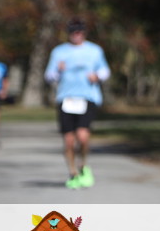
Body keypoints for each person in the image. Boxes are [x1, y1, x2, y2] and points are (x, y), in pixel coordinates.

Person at [44, 18, 111, 189]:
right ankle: (72, 173)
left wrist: (97, 76)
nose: (76, 34)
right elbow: (49, 76)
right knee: (68, 140)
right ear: (69, 33)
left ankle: (84, 165)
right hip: (66, 98)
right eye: (73, 31)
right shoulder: (59, 52)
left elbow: (105, 70)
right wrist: (58, 71)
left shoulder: (94, 50)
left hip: (87, 97)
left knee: (82, 136)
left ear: (84, 33)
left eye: (79, 31)